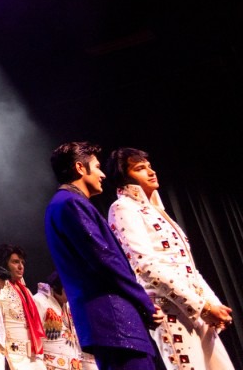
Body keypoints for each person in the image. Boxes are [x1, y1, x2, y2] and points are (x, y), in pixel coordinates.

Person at [105, 147, 234, 370]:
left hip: (196, 310)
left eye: (149, 166)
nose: (151, 171)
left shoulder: (156, 211)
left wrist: (213, 305)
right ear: (125, 178)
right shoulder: (123, 208)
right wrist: (202, 306)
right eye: (140, 168)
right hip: (171, 311)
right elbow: (145, 266)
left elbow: (189, 268)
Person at [43, 141, 161, 370]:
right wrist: (144, 301)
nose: (103, 174)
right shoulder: (69, 203)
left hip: (112, 325)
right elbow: (105, 260)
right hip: (116, 323)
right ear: (80, 168)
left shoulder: (66, 203)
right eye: (97, 167)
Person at [0, 244, 46, 370]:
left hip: (34, 358)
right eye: (15, 262)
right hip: (12, 357)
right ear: (4, 264)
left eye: (22, 262)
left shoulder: (26, 291)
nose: (21, 267)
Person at [33, 271, 91, 370]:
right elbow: (34, 338)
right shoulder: (38, 301)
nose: (71, 294)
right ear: (56, 288)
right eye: (67, 290)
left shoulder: (68, 306)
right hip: (50, 365)